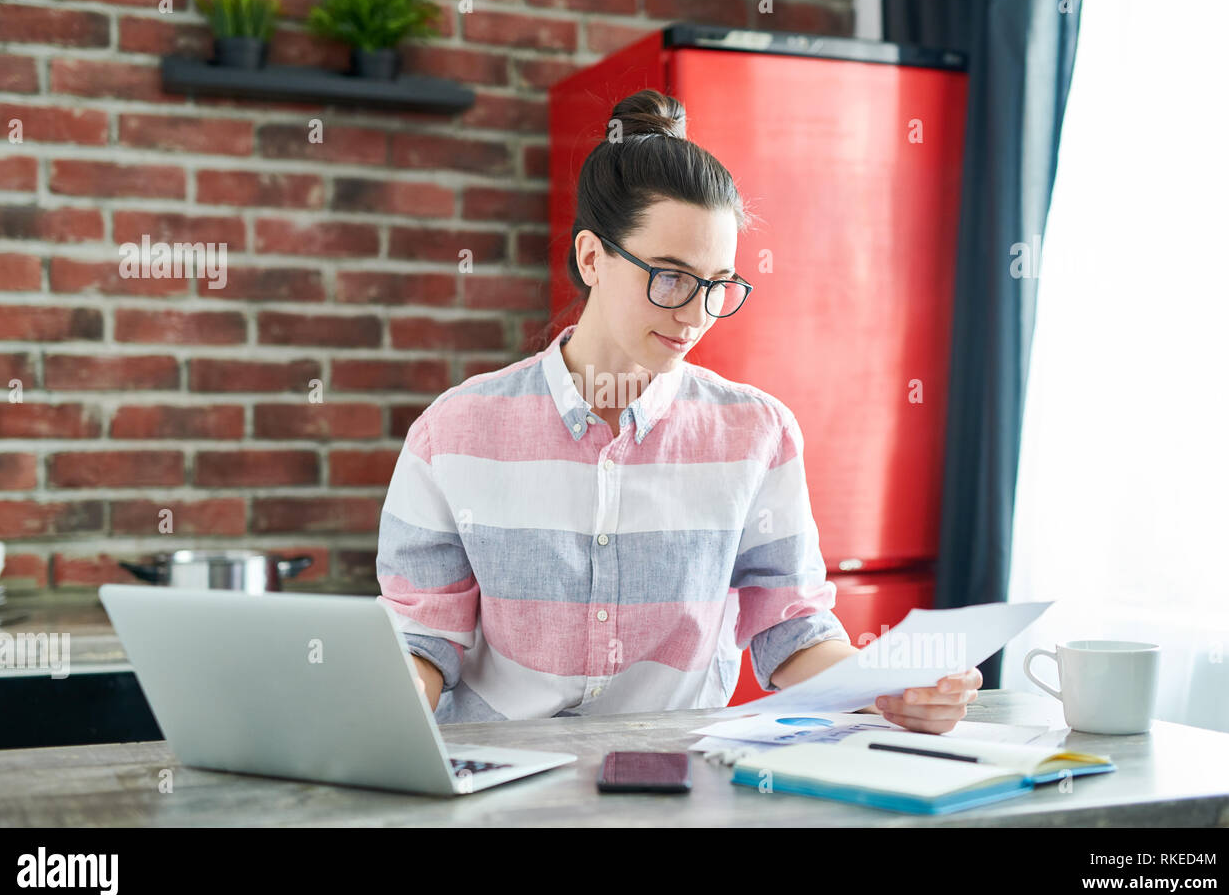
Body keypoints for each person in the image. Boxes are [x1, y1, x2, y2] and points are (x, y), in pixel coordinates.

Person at [377, 89, 980, 732]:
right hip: (501, 782)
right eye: (669, 277)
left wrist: (886, 686)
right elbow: (421, 640)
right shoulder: (454, 431)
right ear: (591, 258)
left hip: (680, 787)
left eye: (718, 285)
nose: (695, 315)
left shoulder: (757, 433)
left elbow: (791, 630)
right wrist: (383, 696)